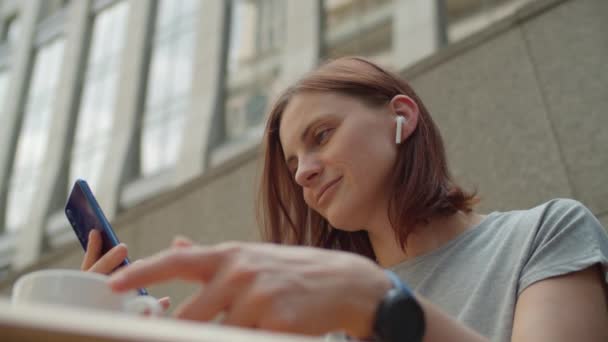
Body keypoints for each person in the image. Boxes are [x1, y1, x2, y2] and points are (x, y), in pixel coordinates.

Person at [82, 57, 608, 341]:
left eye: (321, 136)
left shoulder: (545, 234)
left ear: (401, 117)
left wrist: (380, 304)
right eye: (292, 165)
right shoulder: (328, 327)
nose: (305, 173)